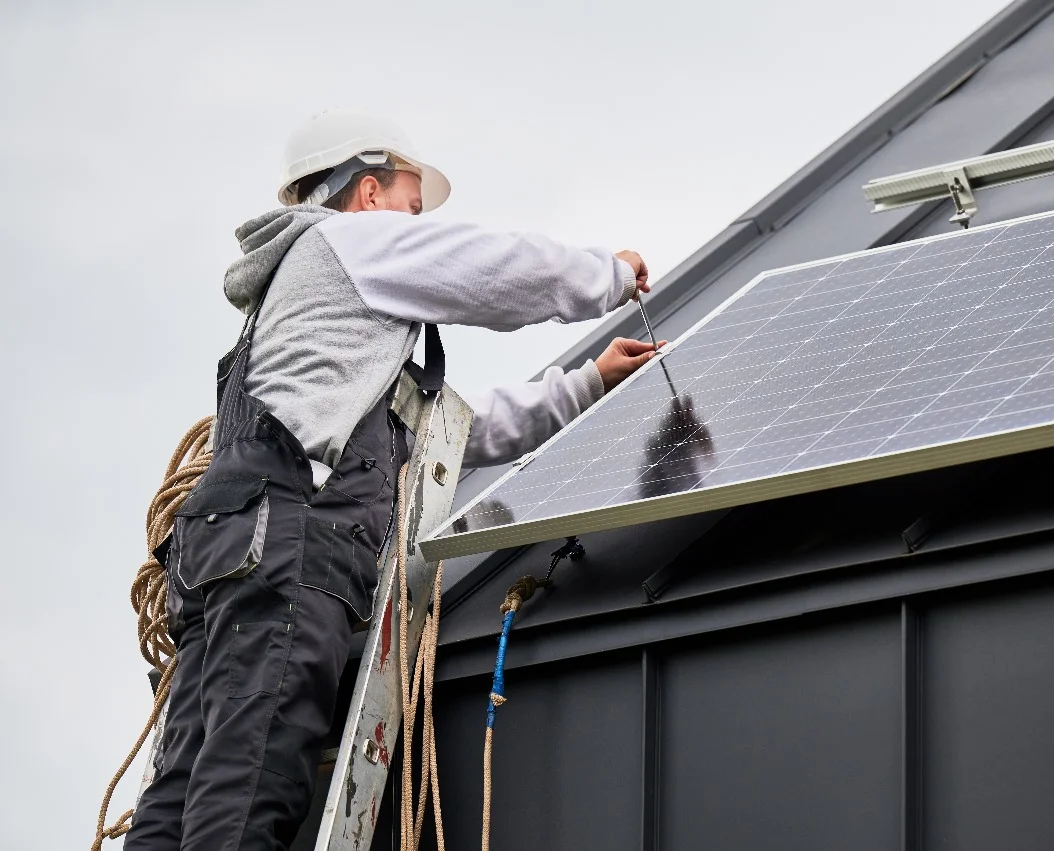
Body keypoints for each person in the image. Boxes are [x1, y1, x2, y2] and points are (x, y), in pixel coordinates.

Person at [126, 108, 662, 850]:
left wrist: (582, 385)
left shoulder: (320, 328)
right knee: (249, 784)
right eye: (412, 206)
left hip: (221, 554)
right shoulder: (350, 241)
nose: (415, 225)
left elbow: (441, 433)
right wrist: (603, 276)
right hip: (287, 548)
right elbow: (486, 270)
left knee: (181, 789)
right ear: (369, 192)